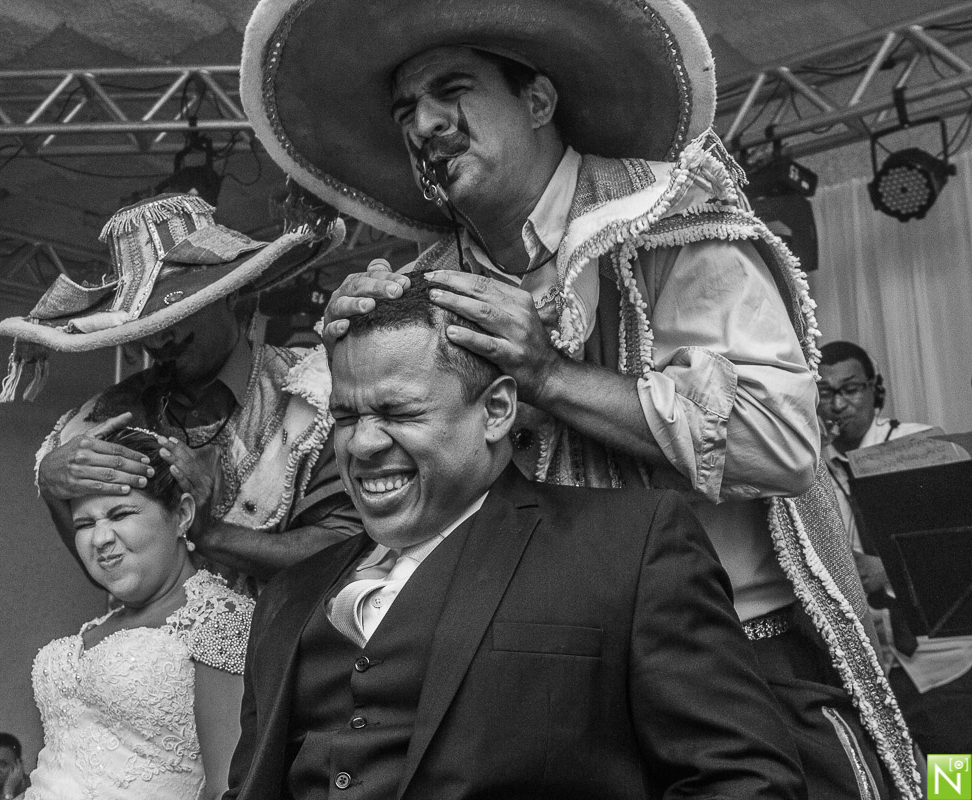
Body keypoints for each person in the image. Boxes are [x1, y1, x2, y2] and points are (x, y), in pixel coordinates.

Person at [240, 1, 919, 797]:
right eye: (405, 110)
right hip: (533, 686)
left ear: (537, 100)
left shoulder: (674, 221)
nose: (423, 123)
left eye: (451, 89)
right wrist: (363, 373)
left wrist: (549, 376)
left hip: (739, 662)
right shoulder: (426, 283)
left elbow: (781, 445)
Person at [224, 277, 805, 799]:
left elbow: (746, 782)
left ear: (497, 410)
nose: (363, 445)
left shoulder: (628, 548)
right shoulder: (290, 597)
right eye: (347, 417)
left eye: (398, 413)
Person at [0, 192, 360, 592]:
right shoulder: (110, 414)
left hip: (281, 650)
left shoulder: (313, 394)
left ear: (230, 292)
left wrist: (212, 535)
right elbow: (109, 574)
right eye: (144, 324)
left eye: (178, 312)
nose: (159, 337)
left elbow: (343, 555)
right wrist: (53, 490)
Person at [23, 427, 252, 800]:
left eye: (120, 514)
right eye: (84, 523)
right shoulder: (98, 628)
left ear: (181, 515)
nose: (100, 539)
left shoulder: (220, 619)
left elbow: (228, 789)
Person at [819, 340, 972, 755]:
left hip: (946, 666)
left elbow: (958, 544)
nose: (837, 405)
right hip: (876, 667)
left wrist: (886, 569)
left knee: (952, 783)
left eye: (850, 389)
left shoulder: (918, 443)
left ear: (875, 390)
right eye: (825, 392)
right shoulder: (809, 468)